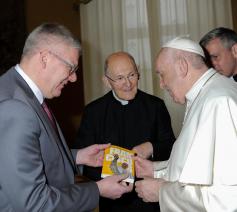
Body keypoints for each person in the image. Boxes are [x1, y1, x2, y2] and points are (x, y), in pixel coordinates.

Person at [0, 23, 133, 212]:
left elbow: (28, 156)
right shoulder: (15, 108)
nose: (73, 79)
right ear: (45, 58)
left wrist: (78, 156)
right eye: (71, 68)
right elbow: (35, 204)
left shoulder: (21, 93)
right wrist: (97, 189)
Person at [134, 37, 237, 211]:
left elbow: (227, 197)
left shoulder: (219, 101)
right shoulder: (206, 94)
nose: (161, 84)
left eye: (161, 74)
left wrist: (161, 192)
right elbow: (197, 168)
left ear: (182, 66)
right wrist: (155, 171)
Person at [74, 51, 175, 212]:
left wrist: (151, 147)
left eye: (132, 75)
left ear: (139, 73)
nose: (127, 83)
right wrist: (106, 179)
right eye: (120, 78)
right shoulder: (94, 112)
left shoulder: (156, 106)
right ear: (107, 81)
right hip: (112, 202)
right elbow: (83, 158)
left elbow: (172, 147)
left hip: (150, 199)